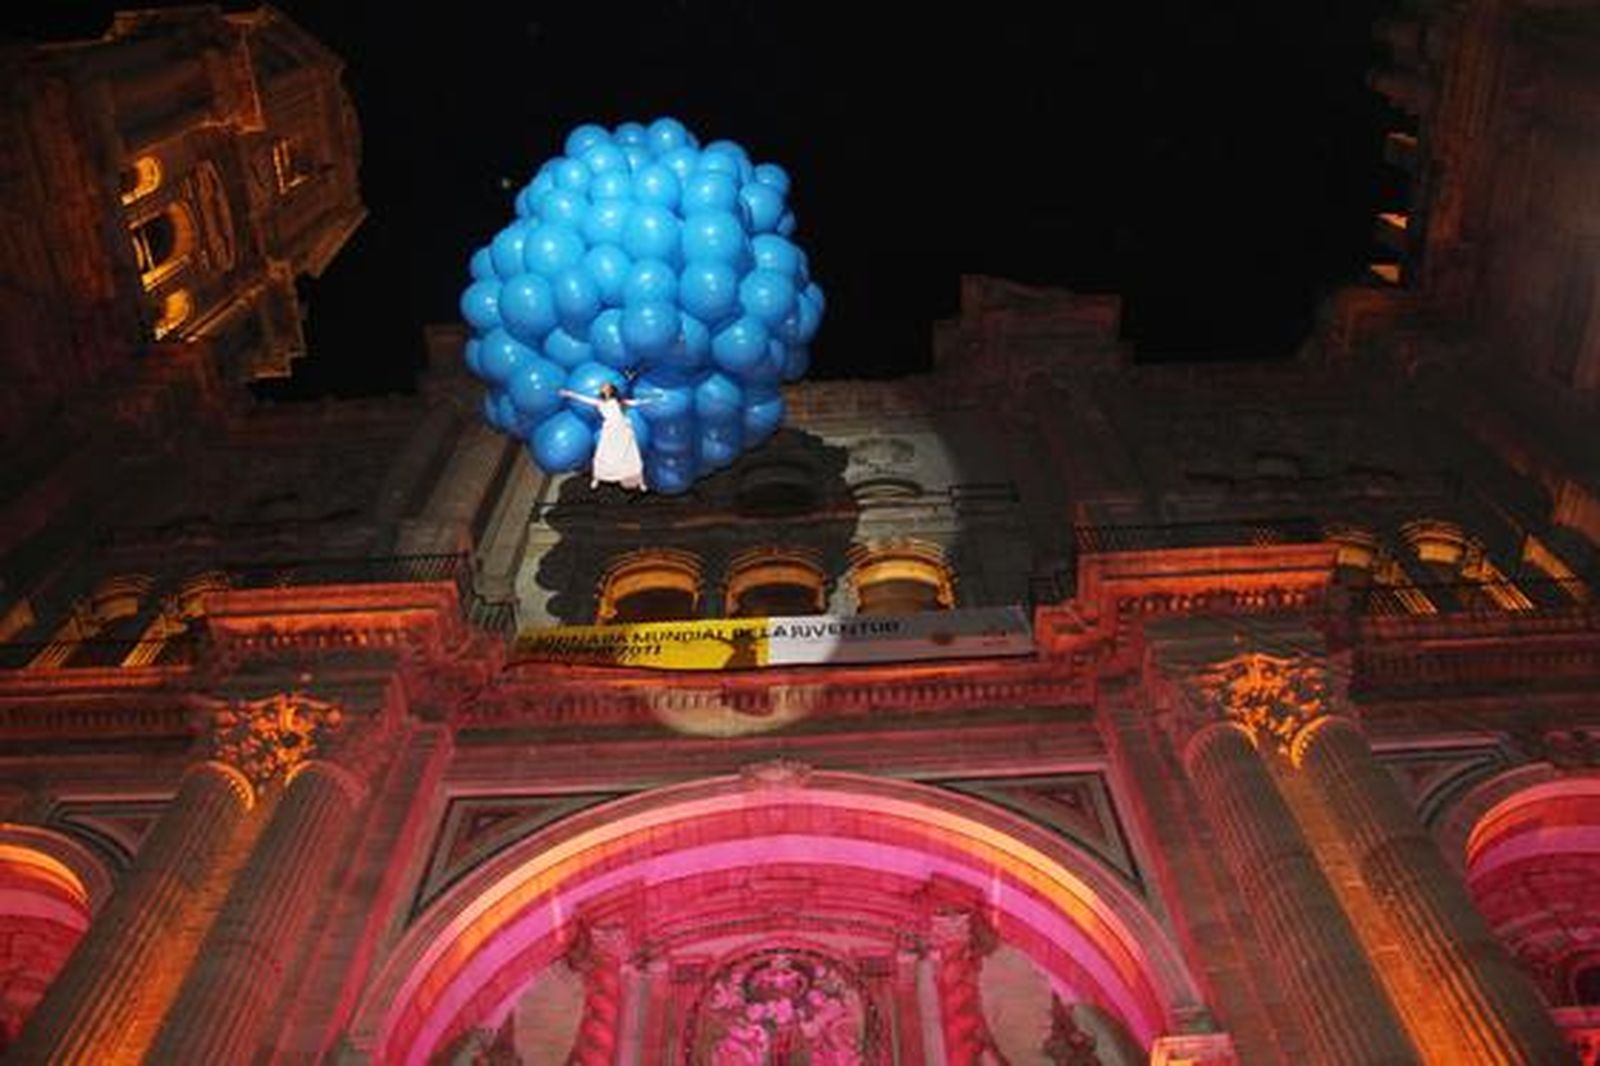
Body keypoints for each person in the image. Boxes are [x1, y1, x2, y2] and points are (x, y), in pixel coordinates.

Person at [558, 383, 649, 491]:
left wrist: (650, 400)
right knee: (603, 453)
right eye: (603, 387)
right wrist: (569, 394)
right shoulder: (600, 402)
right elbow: (583, 399)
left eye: (606, 386)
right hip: (609, 430)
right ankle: (597, 477)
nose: (603, 388)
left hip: (623, 430)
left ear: (611, 390)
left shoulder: (620, 402)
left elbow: (637, 402)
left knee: (630, 454)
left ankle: (640, 481)